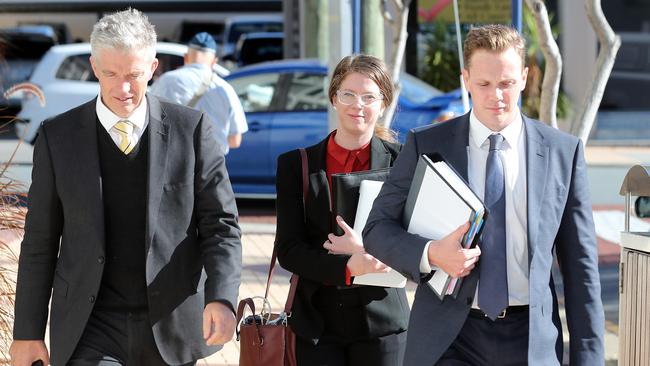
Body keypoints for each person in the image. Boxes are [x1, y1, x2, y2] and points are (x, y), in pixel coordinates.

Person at [10, 9, 242, 366]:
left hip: (171, 324)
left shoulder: (192, 131)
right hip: (89, 326)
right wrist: (27, 334)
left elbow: (220, 226)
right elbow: (40, 241)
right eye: (111, 74)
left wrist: (222, 298)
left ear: (153, 68)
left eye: (134, 75)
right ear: (94, 67)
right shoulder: (58, 138)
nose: (123, 89)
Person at [363, 24, 605, 366]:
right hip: (450, 339)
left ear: (524, 77)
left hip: (531, 340)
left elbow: (581, 268)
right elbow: (377, 229)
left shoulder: (562, 153)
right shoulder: (427, 144)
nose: (497, 96)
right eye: (484, 84)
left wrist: (589, 358)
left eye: (506, 83)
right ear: (465, 79)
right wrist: (431, 253)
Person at [275, 54, 409, 366]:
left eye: (369, 97)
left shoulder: (402, 162)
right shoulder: (296, 165)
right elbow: (289, 249)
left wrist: (366, 252)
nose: (357, 105)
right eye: (348, 94)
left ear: (384, 103)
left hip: (383, 322)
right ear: (334, 97)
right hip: (317, 323)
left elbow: (415, 240)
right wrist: (348, 268)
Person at [150, 32, 248, 155]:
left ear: (186, 58)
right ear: (214, 62)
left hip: (176, 162)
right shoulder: (225, 89)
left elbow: (151, 121)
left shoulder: (165, 81)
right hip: (213, 163)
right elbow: (235, 141)